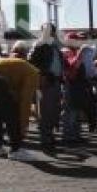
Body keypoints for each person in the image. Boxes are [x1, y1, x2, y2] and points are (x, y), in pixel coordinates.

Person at [0, 49, 41, 161]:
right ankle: (16, 149)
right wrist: (23, 129)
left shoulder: (27, 70)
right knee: (12, 114)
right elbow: (25, 104)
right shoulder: (34, 75)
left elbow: (15, 93)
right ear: (44, 79)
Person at [28, 23, 64, 155]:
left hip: (56, 82)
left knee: (54, 111)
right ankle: (45, 138)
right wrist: (42, 75)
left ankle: (49, 135)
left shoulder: (54, 46)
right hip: (46, 82)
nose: (51, 33)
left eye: (52, 31)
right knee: (45, 111)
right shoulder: (39, 45)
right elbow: (31, 62)